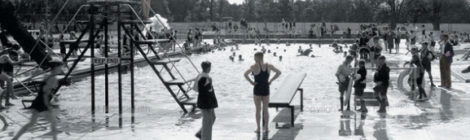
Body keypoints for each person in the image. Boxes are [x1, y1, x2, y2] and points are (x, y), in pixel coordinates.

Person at [12, 58, 63, 140]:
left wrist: (53, 96)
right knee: (53, 123)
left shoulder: (48, 76)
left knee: (32, 123)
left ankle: (15, 138)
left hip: (37, 101)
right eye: (61, 67)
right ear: (56, 67)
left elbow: (44, 90)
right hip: (43, 103)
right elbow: (45, 94)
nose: (61, 68)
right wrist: (48, 106)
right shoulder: (53, 79)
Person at [244, 52, 281, 133]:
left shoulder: (254, 67)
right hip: (266, 88)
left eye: (255, 57)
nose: (254, 59)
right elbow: (279, 72)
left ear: (258, 57)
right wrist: (271, 80)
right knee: (265, 109)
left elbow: (245, 74)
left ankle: (258, 128)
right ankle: (267, 128)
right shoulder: (269, 66)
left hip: (257, 89)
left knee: (258, 109)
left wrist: (251, 82)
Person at [194, 61, 218, 140]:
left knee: (212, 118)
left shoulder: (199, 75)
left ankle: (201, 133)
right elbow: (209, 91)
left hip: (202, 100)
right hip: (207, 102)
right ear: (208, 68)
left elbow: (195, 89)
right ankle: (206, 138)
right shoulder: (207, 78)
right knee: (208, 121)